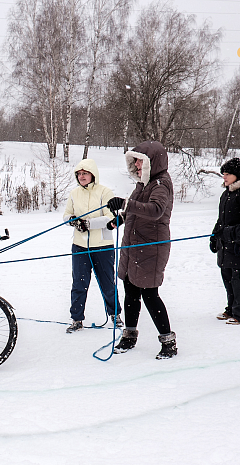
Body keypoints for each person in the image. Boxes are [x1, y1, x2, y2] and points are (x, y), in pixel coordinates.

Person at [107, 140, 177, 359]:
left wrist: (126, 204)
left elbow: (156, 210)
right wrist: (119, 218)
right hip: (133, 246)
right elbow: (136, 211)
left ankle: (168, 341)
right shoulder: (143, 183)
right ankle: (129, 335)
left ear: (152, 161)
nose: (137, 165)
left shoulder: (160, 184)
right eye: (135, 161)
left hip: (151, 247)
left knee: (150, 294)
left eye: (140, 161)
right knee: (130, 291)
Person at [63, 159, 123, 333]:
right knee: (79, 284)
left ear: (92, 175)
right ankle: (77, 319)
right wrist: (74, 222)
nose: (82, 177)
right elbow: (66, 215)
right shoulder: (74, 193)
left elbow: (110, 218)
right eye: (79, 174)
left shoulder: (105, 192)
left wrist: (88, 224)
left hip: (102, 246)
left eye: (85, 173)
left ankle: (115, 314)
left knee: (107, 282)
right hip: (80, 245)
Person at [210, 157, 240, 325]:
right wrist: (214, 236)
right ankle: (231, 308)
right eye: (223, 174)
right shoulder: (226, 194)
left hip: (237, 246)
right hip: (225, 246)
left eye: (228, 174)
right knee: (227, 278)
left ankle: (239, 312)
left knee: (238, 280)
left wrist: (230, 233)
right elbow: (221, 220)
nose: (224, 177)